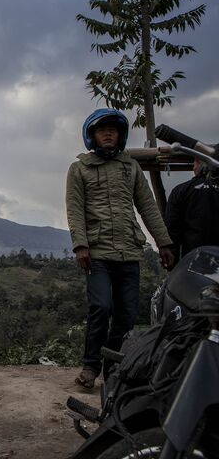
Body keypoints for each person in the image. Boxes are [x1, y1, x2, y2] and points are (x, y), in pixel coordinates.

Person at [66, 109, 175, 390]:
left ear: (121, 135)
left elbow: (147, 206)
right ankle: (90, 367)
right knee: (101, 307)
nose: (108, 133)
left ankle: (113, 369)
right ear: (92, 135)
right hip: (98, 252)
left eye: (113, 129)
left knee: (126, 315)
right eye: (102, 130)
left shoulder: (131, 167)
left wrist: (163, 242)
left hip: (129, 251)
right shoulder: (79, 169)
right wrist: (80, 246)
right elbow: (75, 210)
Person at [165, 153, 219, 261]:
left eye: (194, 163)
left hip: (193, 258)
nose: (193, 168)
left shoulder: (181, 190)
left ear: (199, 163)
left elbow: (172, 227)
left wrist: (172, 256)